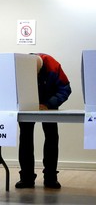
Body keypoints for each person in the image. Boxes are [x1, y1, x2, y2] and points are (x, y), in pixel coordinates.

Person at [15, 53, 72, 189]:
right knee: (25, 139)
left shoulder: (53, 65)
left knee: (51, 138)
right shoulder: (20, 65)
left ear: (40, 67)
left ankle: (51, 178)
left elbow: (65, 88)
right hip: (26, 107)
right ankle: (26, 178)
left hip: (49, 106)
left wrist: (48, 104)